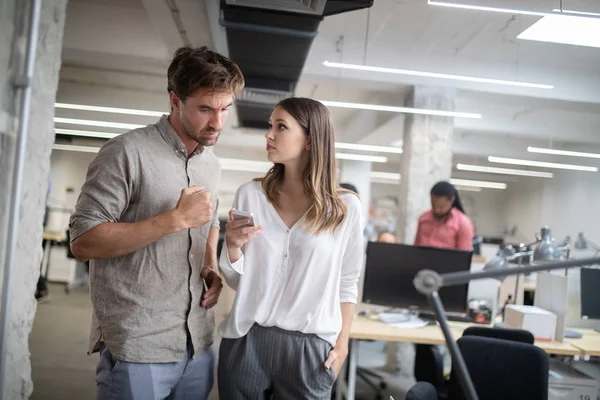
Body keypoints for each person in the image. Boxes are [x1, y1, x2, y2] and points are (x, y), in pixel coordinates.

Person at [69, 46, 244, 400]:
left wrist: (209, 264)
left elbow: (209, 220)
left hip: (197, 341)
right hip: (139, 344)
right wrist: (174, 219)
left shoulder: (211, 163)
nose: (217, 122)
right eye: (206, 109)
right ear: (175, 101)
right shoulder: (125, 152)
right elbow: (83, 241)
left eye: (225, 108)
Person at [217, 98, 364, 399]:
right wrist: (232, 246)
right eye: (270, 126)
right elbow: (237, 281)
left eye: (281, 127)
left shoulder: (345, 208)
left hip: (310, 349)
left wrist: (343, 342)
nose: (269, 135)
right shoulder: (251, 196)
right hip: (248, 339)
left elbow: (347, 284)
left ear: (310, 140)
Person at [414, 181, 474, 251]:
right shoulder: (423, 218)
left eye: (441, 207)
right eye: (433, 206)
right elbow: (416, 246)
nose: (436, 210)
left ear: (451, 200)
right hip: (422, 260)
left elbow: (464, 256)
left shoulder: (463, 224)